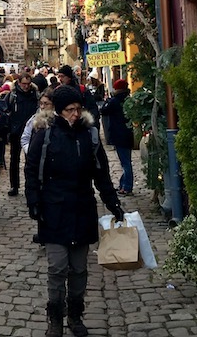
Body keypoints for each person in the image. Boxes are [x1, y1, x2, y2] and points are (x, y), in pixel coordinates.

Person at [25, 85, 125, 337]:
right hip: (54, 209)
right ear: (59, 111)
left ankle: (75, 315)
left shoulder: (89, 136)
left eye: (78, 109)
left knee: (79, 268)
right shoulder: (45, 134)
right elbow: (31, 169)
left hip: (82, 208)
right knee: (57, 267)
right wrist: (33, 201)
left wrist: (113, 203)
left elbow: (101, 173)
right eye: (70, 110)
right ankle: (55, 318)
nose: (75, 114)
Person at [6, 73, 39, 196]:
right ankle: (14, 186)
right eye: (23, 84)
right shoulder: (13, 95)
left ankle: (29, 186)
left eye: (28, 84)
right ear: (19, 83)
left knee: (30, 160)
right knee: (14, 159)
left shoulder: (35, 94)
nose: (25, 86)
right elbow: (7, 110)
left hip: (31, 131)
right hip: (16, 130)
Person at [101, 79, 134, 196]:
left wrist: (107, 101)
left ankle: (127, 186)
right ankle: (123, 184)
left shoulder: (115, 101)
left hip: (119, 134)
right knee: (126, 161)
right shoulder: (128, 99)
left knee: (125, 163)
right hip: (127, 133)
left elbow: (104, 110)